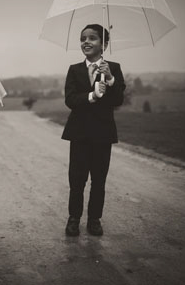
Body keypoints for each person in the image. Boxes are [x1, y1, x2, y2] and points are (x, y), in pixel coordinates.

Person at [62, 24, 125, 237]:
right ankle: (74, 218)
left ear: (104, 44)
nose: (86, 42)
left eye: (92, 38)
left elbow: (118, 99)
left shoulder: (113, 68)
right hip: (79, 134)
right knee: (77, 179)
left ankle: (94, 219)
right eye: (83, 38)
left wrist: (110, 79)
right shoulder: (74, 70)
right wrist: (92, 96)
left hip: (102, 134)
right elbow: (70, 100)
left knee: (99, 180)